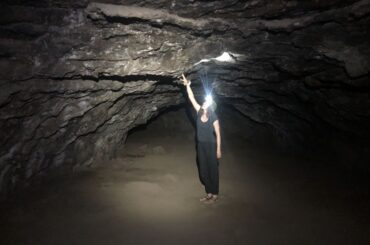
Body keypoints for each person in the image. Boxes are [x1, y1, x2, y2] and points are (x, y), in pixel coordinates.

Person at [181, 73, 222, 204]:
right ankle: (208, 193)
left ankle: (214, 195)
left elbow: (218, 134)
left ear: (211, 107)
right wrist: (188, 86)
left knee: (212, 169)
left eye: (207, 102)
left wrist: (218, 149)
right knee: (203, 170)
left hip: (211, 145)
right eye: (205, 101)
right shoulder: (199, 112)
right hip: (200, 145)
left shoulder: (214, 117)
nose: (204, 102)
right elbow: (191, 98)